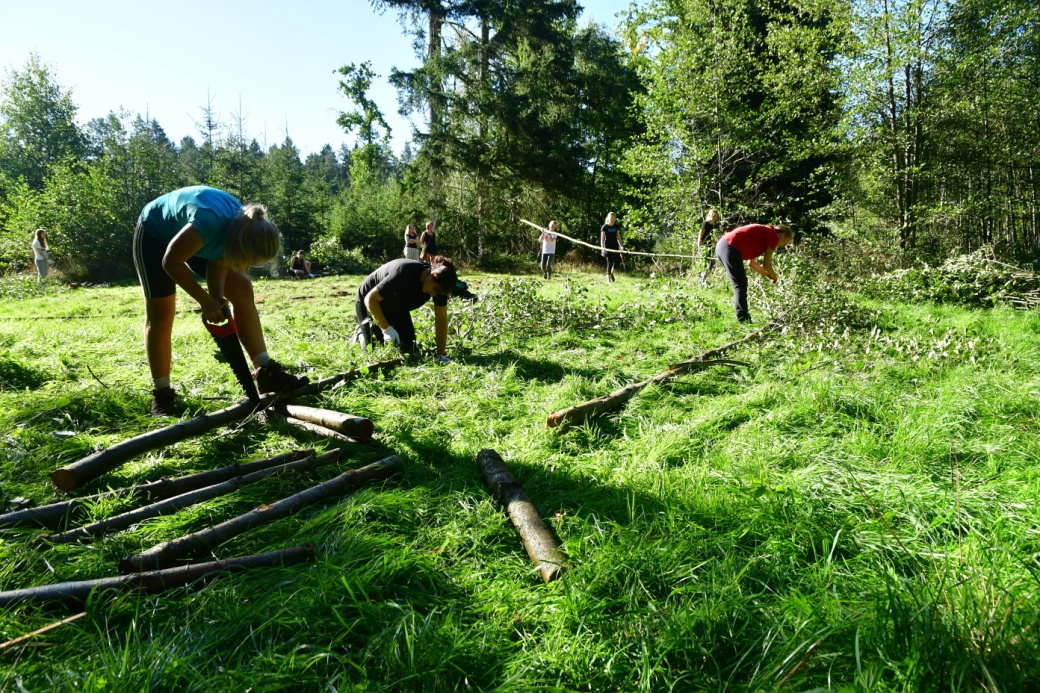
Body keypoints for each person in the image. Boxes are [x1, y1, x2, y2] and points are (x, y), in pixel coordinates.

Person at [134, 185, 308, 416]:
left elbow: (220, 261)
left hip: (201, 236)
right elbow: (170, 262)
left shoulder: (244, 226)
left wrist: (216, 299)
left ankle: (265, 371)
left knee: (242, 287)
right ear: (240, 245)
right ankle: (162, 393)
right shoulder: (209, 224)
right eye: (247, 261)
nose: (245, 267)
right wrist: (205, 301)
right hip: (155, 235)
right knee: (162, 314)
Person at [354, 256, 466, 362]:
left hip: (396, 306)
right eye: (435, 289)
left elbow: (441, 320)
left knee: (409, 348)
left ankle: (381, 330)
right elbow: (370, 299)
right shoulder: (403, 273)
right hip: (369, 303)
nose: (434, 294)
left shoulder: (439, 289)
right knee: (371, 349)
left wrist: (440, 354)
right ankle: (360, 334)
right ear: (432, 274)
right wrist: (386, 329)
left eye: (438, 293)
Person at [715, 222, 794, 323]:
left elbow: (751, 263)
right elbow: (766, 263)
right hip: (729, 246)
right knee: (740, 283)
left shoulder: (764, 234)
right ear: (782, 235)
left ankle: (744, 317)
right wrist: (775, 275)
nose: (783, 245)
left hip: (723, 246)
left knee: (740, 283)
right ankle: (743, 319)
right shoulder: (773, 236)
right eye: (785, 242)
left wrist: (768, 275)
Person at [697, 209, 721, 285]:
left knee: (711, 262)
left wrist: (718, 244)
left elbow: (710, 238)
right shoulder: (705, 223)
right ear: (709, 215)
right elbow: (700, 236)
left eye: (715, 216)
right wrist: (699, 247)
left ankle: (703, 279)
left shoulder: (711, 225)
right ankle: (701, 280)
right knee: (705, 263)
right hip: (704, 246)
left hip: (709, 246)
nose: (714, 217)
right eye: (713, 215)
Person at [600, 211, 624, 282]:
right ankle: (608, 278)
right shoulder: (605, 227)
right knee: (609, 261)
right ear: (608, 218)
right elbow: (602, 239)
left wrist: (621, 246)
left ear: (615, 218)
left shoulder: (616, 226)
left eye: (614, 218)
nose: (612, 219)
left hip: (615, 245)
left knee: (618, 261)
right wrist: (603, 248)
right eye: (611, 218)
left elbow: (618, 237)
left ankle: (612, 273)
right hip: (607, 246)